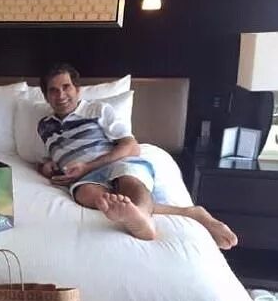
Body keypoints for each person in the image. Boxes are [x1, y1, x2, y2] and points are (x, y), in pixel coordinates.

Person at [37, 63, 238, 249]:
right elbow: (55, 152)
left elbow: (131, 146)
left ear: (77, 89)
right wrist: (48, 166)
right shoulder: (44, 125)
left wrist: (87, 166)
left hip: (114, 161)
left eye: (66, 87)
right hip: (84, 178)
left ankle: (141, 218)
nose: (60, 95)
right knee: (86, 194)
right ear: (46, 96)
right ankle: (187, 213)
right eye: (53, 90)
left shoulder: (98, 109)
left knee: (129, 181)